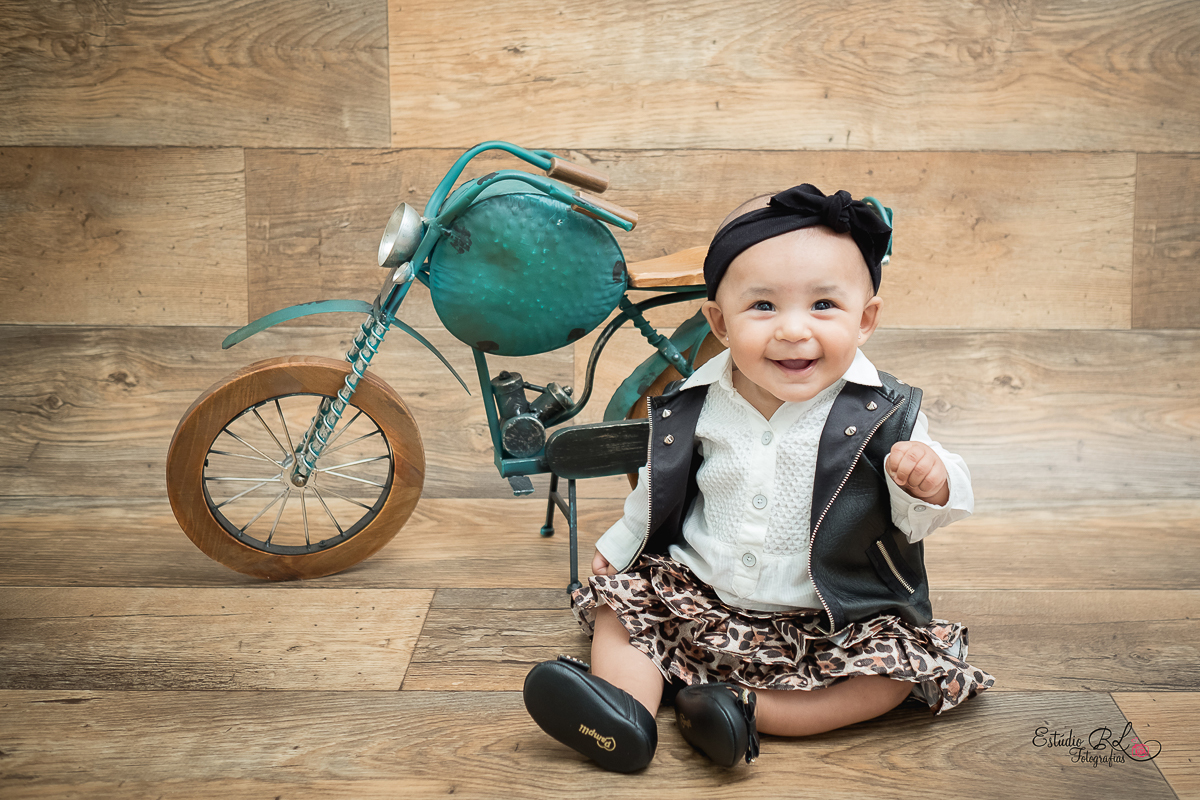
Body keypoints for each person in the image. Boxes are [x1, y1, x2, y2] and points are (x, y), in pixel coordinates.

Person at [522, 185, 995, 772]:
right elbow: (660, 482)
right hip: (702, 590)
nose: (793, 330)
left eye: (824, 305)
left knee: (886, 680)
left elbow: (924, 513)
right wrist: (622, 544)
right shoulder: (696, 399)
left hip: (828, 615)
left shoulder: (885, 411)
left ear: (866, 319)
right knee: (622, 611)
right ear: (719, 323)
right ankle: (623, 713)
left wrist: (930, 480)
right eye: (763, 307)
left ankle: (743, 710)